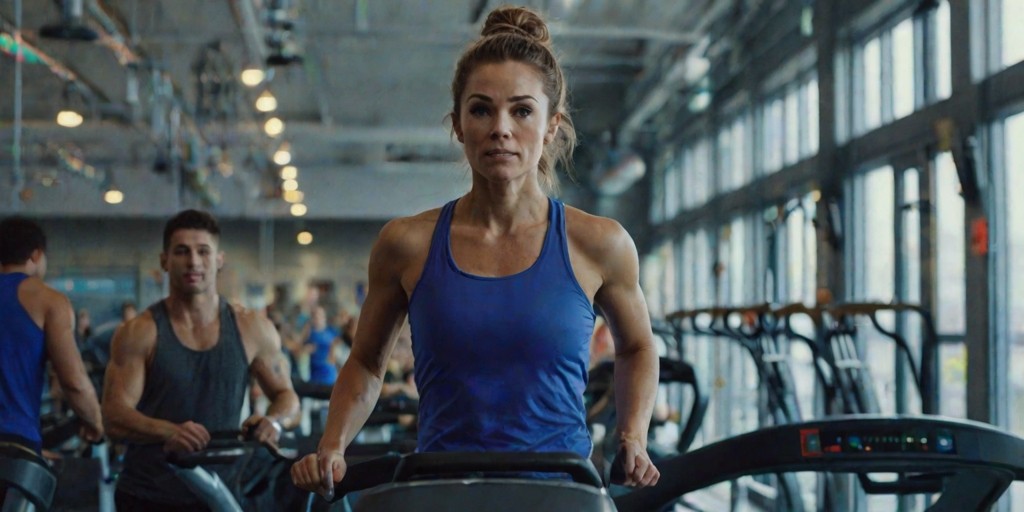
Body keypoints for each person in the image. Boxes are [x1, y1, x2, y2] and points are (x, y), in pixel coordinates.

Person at [292, 5, 660, 497]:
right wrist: (332, 445)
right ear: (459, 125)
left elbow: (637, 346)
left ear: (552, 125)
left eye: (522, 110)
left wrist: (633, 434)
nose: (500, 128)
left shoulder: (599, 243)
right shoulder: (407, 244)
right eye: (481, 109)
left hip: (561, 493)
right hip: (443, 489)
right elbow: (366, 362)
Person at [102, 209, 300, 511]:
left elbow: (288, 398)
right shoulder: (139, 332)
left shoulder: (252, 328)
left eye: (203, 251)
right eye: (182, 252)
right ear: (164, 261)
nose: (193, 261)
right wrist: (169, 431)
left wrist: (273, 421)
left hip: (223, 493)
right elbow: (114, 416)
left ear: (219, 260)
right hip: (149, 494)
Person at [0, 216, 103, 453]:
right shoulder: (48, 300)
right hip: (13, 441)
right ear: (36, 255)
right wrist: (95, 423)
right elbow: (73, 381)